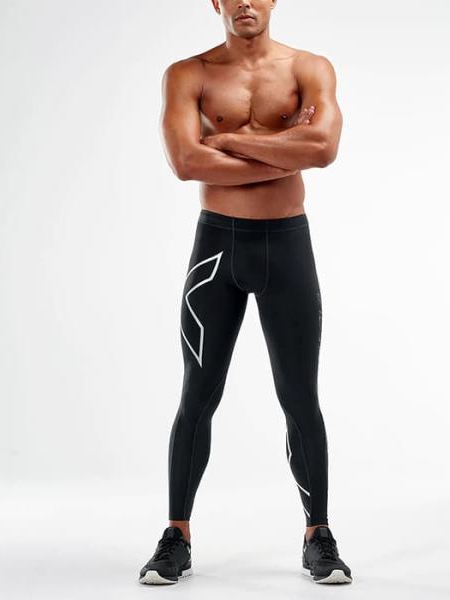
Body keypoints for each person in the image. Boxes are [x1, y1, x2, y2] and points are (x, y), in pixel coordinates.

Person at [138, 0, 351, 585]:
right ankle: (176, 536)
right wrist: (287, 148)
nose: (246, 2)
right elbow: (186, 161)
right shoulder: (189, 74)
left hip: (287, 248)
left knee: (299, 396)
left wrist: (226, 143)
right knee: (198, 394)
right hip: (217, 251)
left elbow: (324, 149)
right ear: (216, 2)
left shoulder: (309, 67)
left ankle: (318, 536)